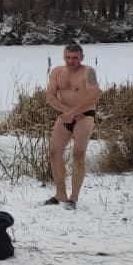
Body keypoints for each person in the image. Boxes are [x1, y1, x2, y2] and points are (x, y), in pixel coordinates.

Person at [45, 43, 100, 210]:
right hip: (66, 115)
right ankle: (60, 194)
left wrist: (75, 112)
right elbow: (50, 96)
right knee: (54, 153)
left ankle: (73, 198)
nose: (71, 61)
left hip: (85, 115)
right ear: (64, 57)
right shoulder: (56, 72)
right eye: (68, 57)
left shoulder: (88, 71)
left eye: (75, 57)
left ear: (81, 57)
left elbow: (95, 95)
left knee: (78, 153)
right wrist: (68, 111)